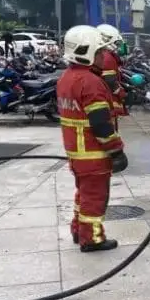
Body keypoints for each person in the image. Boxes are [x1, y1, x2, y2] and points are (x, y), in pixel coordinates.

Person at [57, 25, 129, 252]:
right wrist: (116, 150)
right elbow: (100, 124)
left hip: (76, 152)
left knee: (83, 193)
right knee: (95, 197)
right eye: (99, 53)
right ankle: (92, 238)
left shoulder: (66, 78)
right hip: (93, 152)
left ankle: (78, 229)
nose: (102, 57)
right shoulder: (90, 82)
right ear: (86, 52)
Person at [96, 23, 129, 120]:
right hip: (109, 102)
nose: (117, 47)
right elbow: (109, 80)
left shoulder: (104, 55)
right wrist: (120, 92)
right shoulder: (107, 57)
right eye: (116, 43)